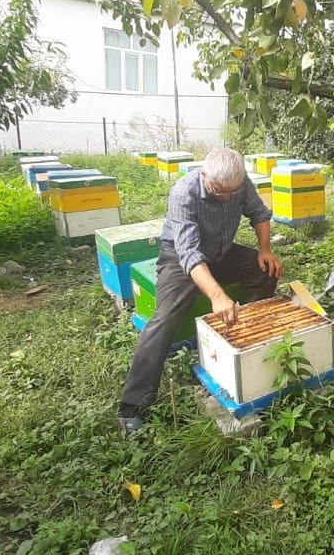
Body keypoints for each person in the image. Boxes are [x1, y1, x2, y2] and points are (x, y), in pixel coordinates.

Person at [117, 148, 283, 434]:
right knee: (165, 318)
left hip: (222, 253)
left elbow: (259, 213)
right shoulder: (184, 193)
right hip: (180, 259)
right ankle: (133, 406)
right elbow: (189, 254)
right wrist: (217, 296)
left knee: (265, 271)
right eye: (220, 192)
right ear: (204, 175)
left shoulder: (238, 182)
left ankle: (241, 337)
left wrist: (265, 250)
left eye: (232, 192)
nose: (227, 198)